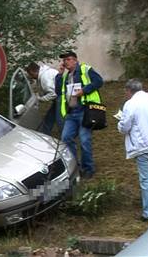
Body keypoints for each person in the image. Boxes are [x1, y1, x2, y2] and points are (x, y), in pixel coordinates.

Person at [117, 78, 148, 222]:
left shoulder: (130, 104)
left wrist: (119, 122)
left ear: (129, 91)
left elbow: (125, 127)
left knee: (146, 178)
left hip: (143, 145)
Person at [56, 51, 103, 179]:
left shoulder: (85, 69)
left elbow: (99, 81)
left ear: (75, 60)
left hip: (84, 111)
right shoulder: (65, 76)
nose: (66, 62)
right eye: (64, 60)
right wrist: (59, 75)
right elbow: (58, 91)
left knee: (84, 140)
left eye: (68, 59)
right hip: (71, 113)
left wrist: (84, 90)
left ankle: (88, 168)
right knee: (66, 138)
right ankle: (74, 165)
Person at [25, 62, 61, 135]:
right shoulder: (46, 72)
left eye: (30, 74)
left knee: (59, 120)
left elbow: (53, 94)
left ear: (32, 71)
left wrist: (41, 99)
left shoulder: (44, 77)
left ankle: (65, 137)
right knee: (49, 118)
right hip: (59, 97)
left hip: (61, 98)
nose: (30, 77)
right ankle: (44, 134)